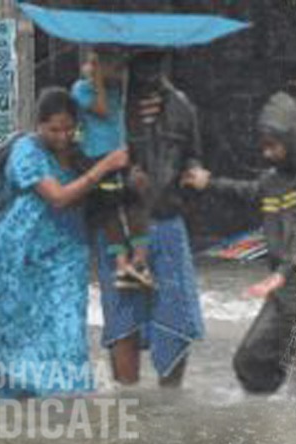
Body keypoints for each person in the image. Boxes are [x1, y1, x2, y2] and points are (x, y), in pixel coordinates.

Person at [0, 87, 128, 398]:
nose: (62, 136)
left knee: (66, 328)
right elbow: (57, 197)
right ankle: (17, 402)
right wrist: (104, 167)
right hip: (21, 252)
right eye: (53, 129)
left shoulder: (83, 151)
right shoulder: (26, 151)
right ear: (38, 125)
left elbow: (105, 198)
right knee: (13, 327)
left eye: (69, 128)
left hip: (67, 253)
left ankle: (66, 404)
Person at [181, 92, 296, 394]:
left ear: (290, 140)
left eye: (273, 146)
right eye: (264, 146)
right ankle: (278, 411)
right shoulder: (271, 182)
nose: (266, 154)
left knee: (254, 361)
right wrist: (207, 183)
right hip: (280, 293)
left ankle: (290, 401)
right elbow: (243, 191)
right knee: (248, 363)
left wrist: (281, 275)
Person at [96, 51, 206, 387]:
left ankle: (168, 414)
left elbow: (193, 158)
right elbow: (89, 163)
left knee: (176, 324)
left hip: (168, 223)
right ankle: (130, 415)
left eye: (155, 64)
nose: (149, 74)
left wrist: (195, 174)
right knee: (123, 325)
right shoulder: (110, 107)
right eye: (141, 65)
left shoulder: (182, 107)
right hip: (121, 231)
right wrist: (126, 174)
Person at [72, 49, 154, 289]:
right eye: (111, 67)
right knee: (109, 209)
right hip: (97, 157)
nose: (117, 72)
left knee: (135, 200)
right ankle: (121, 264)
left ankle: (138, 260)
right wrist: (96, 74)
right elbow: (101, 109)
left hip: (121, 154)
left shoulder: (118, 88)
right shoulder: (81, 88)